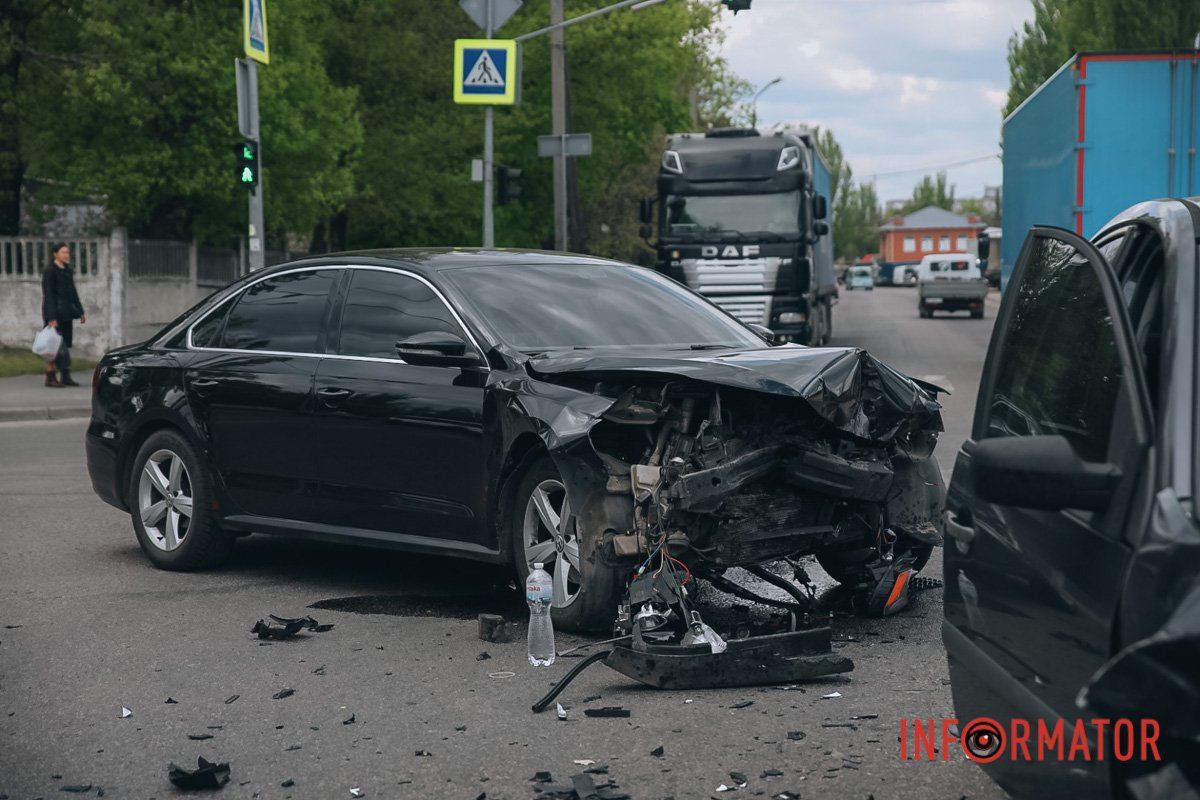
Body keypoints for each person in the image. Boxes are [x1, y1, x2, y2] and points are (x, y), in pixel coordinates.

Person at [41, 243, 86, 387]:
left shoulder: (67, 270)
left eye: (67, 252)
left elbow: (73, 292)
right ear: (55, 254)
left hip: (66, 313)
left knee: (65, 345)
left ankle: (65, 376)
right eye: (63, 252)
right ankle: (50, 376)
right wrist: (51, 317)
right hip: (54, 315)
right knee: (53, 346)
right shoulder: (50, 271)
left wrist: (80, 311)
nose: (66, 255)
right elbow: (48, 295)